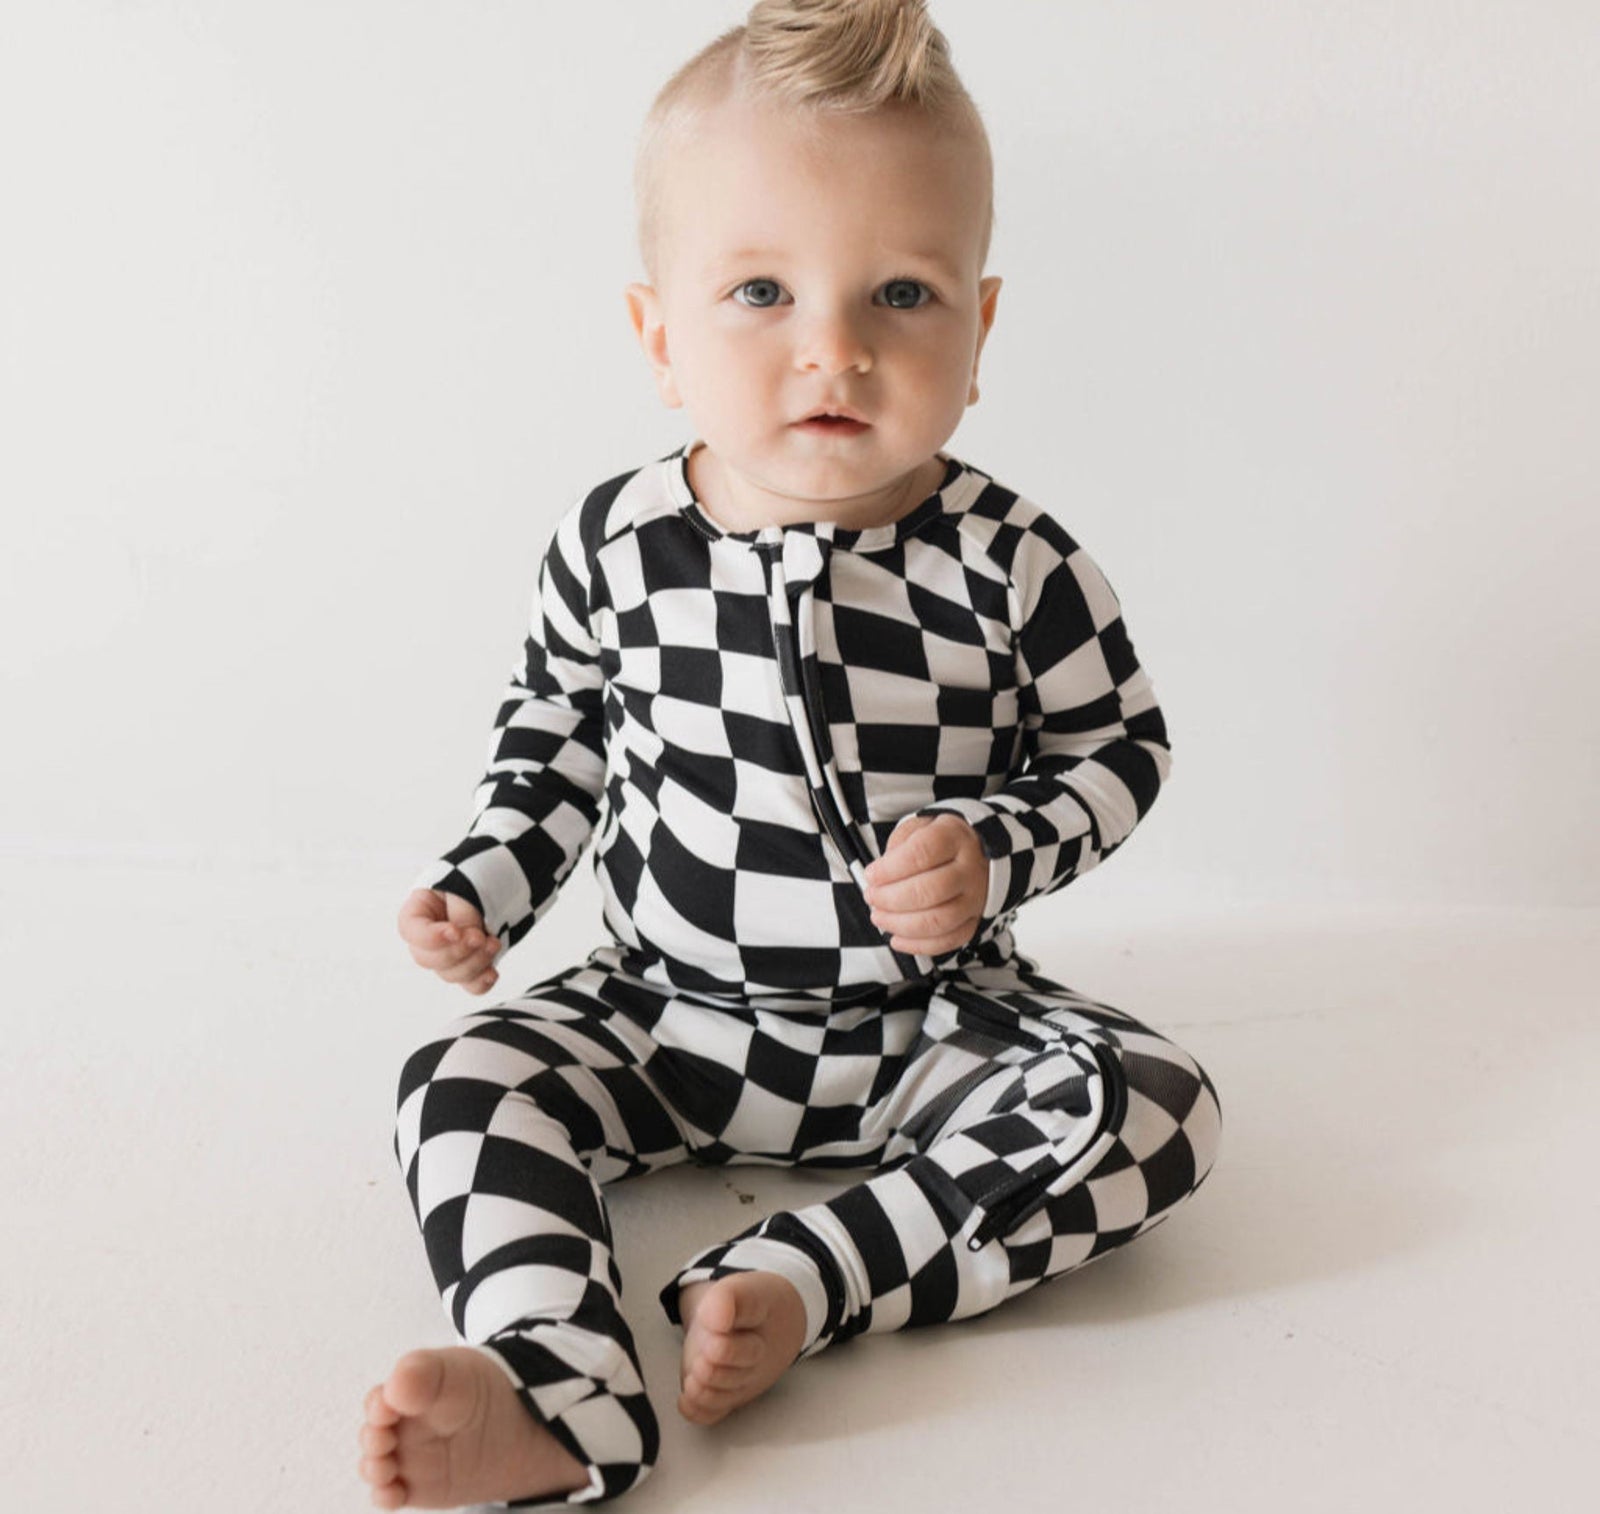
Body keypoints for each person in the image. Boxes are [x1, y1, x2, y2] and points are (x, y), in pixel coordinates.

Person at [357, 1, 1222, 1507]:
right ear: (658, 336)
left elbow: (1119, 746)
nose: (836, 348)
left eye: (901, 291)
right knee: (455, 1084)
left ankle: (804, 1277)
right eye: (760, 289)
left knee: (1158, 1102)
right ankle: (559, 1381)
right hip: (658, 1016)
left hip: (926, 1029)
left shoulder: (1010, 562)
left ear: (982, 328)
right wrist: (485, 883)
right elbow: (553, 736)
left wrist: (1000, 848)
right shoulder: (616, 544)